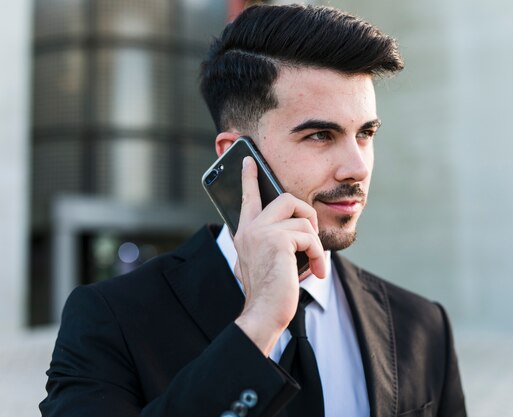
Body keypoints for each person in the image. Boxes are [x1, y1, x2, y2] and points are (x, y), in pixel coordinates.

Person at [41, 4, 466, 417]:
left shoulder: (421, 327)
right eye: (320, 135)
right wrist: (258, 323)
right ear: (237, 156)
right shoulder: (111, 318)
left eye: (366, 133)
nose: (357, 166)